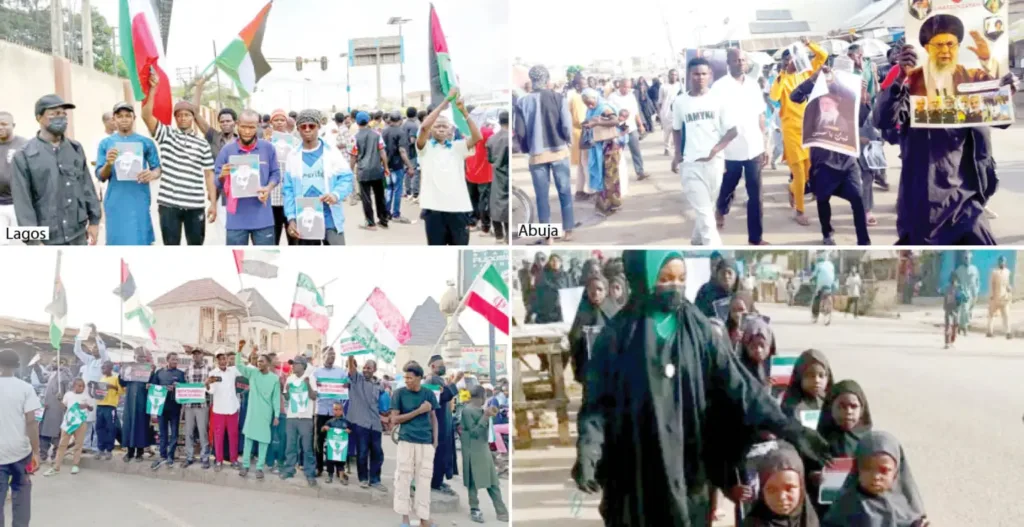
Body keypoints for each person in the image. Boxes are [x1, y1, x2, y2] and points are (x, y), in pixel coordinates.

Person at [574, 250, 831, 525]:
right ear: (643, 280)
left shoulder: (697, 328)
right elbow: (597, 405)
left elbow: (740, 386)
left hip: (689, 464)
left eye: (681, 279)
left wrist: (790, 428)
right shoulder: (616, 338)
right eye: (665, 279)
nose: (675, 286)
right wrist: (589, 450)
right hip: (638, 465)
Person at [876, 45, 1017, 244]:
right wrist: (900, 78)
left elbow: (1001, 121)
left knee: (984, 247)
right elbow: (883, 120)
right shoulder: (913, 90)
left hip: (967, 200)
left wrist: (1004, 94)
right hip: (926, 202)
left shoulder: (972, 89)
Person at [790, 67, 871, 246]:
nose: (826, 106)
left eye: (830, 104)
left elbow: (860, 120)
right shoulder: (819, 89)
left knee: (858, 199)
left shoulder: (849, 95)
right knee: (822, 199)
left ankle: (863, 241)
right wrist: (813, 79)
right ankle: (827, 233)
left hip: (847, 161)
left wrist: (864, 95)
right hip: (823, 161)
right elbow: (794, 96)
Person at [11, 95, 101, 245]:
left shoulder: (75, 148)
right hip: (46, 239)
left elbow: (87, 186)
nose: (61, 118)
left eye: (63, 114)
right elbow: (22, 202)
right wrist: (33, 241)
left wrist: (94, 221)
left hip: (77, 234)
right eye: (54, 113)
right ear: (39, 118)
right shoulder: (24, 155)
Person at [139, 74, 217, 245]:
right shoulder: (166, 135)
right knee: (171, 250)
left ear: (192, 118)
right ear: (175, 118)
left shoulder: (202, 144)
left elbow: (209, 175)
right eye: (179, 115)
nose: (183, 118)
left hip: (195, 204)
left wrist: (213, 203)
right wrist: (153, 89)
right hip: (169, 205)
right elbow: (146, 115)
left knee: (195, 249)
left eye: (187, 115)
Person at [672, 58, 739, 246]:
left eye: (703, 74)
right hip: (691, 164)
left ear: (709, 75)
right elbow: (676, 129)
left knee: (707, 208)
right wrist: (677, 154)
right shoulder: (680, 102)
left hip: (715, 162)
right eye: (696, 74)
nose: (700, 77)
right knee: (705, 214)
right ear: (689, 76)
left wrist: (715, 150)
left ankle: (696, 240)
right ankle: (715, 251)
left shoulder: (718, 101)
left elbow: (733, 130)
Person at [712, 48, 770, 245]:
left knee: (756, 195)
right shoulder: (719, 87)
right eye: (736, 60)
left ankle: (756, 238)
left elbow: (761, 115)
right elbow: (714, 119)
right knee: (728, 186)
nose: (740, 63)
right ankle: (721, 209)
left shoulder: (753, 85)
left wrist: (765, 144)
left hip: (753, 146)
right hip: (730, 148)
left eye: (743, 60)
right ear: (728, 63)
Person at [770, 37, 828, 227]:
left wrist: (809, 44)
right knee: (799, 173)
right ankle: (800, 211)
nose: (793, 61)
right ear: (785, 62)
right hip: (791, 129)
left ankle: (792, 188)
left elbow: (823, 55)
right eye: (789, 59)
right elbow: (774, 96)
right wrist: (783, 74)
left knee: (810, 171)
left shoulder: (807, 72)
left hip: (809, 127)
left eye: (795, 57)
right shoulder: (782, 79)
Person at [513, 65, 575, 242]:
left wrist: (527, 149)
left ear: (531, 81)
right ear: (547, 80)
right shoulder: (558, 97)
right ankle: (568, 230)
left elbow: (520, 131)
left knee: (541, 196)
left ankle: (548, 235)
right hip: (559, 152)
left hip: (536, 155)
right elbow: (565, 125)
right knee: (564, 191)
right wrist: (567, 140)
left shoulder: (522, 102)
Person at [416, 89, 482, 245]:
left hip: (458, 209)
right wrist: (445, 102)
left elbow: (477, 137)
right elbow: (424, 127)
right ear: (432, 129)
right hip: (434, 211)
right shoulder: (424, 148)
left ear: (451, 131)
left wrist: (463, 111)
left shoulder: (458, 147)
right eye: (437, 126)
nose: (440, 128)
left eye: (444, 126)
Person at [821, 431, 928, 527]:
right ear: (857, 469)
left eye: (884, 470)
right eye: (867, 468)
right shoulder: (845, 505)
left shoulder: (904, 503)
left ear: (896, 472)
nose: (876, 477)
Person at [282, 109, 354, 245]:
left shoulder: (332, 152)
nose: (307, 129)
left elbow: (346, 178)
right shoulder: (293, 156)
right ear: (298, 129)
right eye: (303, 126)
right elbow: (288, 190)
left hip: (330, 217)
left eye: (311, 126)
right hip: (305, 219)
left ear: (319, 127)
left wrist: (335, 195)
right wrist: (291, 218)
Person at [95, 102, 161, 245]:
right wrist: (108, 163)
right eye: (120, 116)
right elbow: (101, 176)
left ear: (134, 118)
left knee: (140, 241)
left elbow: (157, 168)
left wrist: (152, 174)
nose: (124, 119)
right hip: (115, 201)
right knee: (116, 245)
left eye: (127, 116)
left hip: (139, 200)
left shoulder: (146, 143)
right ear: (114, 119)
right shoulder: (105, 144)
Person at [213, 109, 280, 245]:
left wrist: (268, 188)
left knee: (265, 263)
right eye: (243, 126)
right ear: (237, 124)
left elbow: (276, 174)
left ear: (258, 126)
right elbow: (217, 182)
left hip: (263, 218)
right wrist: (222, 176)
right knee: (235, 262)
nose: (247, 131)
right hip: (236, 220)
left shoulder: (268, 148)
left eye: (251, 127)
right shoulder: (227, 150)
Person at [390, 362, 439, 527]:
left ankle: (424, 519)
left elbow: (434, 418)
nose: (407, 381)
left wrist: (435, 440)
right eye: (405, 378)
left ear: (419, 378)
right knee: (403, 479)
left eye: (410, 378)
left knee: (424, 480)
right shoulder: (399, 394)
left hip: (426, 442)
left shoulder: (429, 394)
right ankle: (405, 519)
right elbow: (395, 419)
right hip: (406, 440)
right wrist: (418, 411)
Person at [904, 15, 998, 96]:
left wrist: (986, 59)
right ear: (927, 48)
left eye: (950, 44)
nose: (945, 50)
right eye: (939, 45)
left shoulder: (970, 76)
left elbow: (999, 88)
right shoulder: (911, 78)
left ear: (958, 47)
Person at [0, 349, 41, 527]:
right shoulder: (25, 388)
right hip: (20, 452)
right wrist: (37, 452)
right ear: (17, 366)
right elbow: (31, 422)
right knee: (22, 496)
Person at [460, 385, 509, 523]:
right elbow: (474, 432)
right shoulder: (467, 411)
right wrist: (485, 416)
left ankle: (502, 511)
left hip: (483, 450)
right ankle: (474, 509)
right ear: (481, 397)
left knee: (493, 482)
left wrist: (489, 415)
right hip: (472, 451)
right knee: (473, 483)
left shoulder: (479, 410)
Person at [743, 443, 821, 527]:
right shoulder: (754, 523)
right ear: (762, 492)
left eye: (789, 488)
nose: (781, 497)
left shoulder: (809, 518)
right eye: (771, 489)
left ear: (801, 488)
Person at [235, 352, 280, 479]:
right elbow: (239, 365)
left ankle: (259, 468)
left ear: (268, 364)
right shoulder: (253, 373)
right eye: (258, 361)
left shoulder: (274, 379)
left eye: (262, 361)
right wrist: (239, 351)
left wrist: (276, 415)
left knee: (263, 441)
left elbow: (276, 398)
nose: (259, 363)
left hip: (266, 413)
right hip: (252, 412)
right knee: (248, 439)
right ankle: (245, 465)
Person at [345, 355, 386, 490]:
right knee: (362, 452)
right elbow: (351, 369)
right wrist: (351, 356)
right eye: (365, 367)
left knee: (377, 453)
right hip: (361, 423)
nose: (366, 370)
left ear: (374, 370)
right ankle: (363, 479)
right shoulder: (357, 380)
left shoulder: (379, 385)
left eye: (369, 368)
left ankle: (375, 480)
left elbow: (383, 405)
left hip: (375, 424)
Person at [569, 274, 620, 380]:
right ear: (586, 291)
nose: (595, 293)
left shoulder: (615, 312)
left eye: (600, 289)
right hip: (589, 370)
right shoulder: (582, 313)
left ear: (606, 291)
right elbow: (574, 340)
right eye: (591, 289)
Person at [426, 355, 463, 495]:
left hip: (445, 421)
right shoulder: (431, 380)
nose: (443, 367)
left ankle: (439, 480)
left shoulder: (439, 380)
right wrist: (455, 381)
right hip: (438, 422)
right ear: (433, 366)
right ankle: (435, 482)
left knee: (444, 453)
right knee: (438, 453)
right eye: (440, 365)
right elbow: (441, 397)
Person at [42, 377, 94, 476]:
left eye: (83, 386)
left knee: (78, 445)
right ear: (74, 386)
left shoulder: (86, 396)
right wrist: (59, 400)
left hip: (80, 423)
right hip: (68, 423)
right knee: (62, 445)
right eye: (79, 386)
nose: (82, 388)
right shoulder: (68, 395)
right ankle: (56, 466)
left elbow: (91, 408)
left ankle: (75, 465)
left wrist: (87, 406)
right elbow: (64, 406)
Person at [281, 357, 318, 486]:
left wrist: (307, 384)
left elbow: (314, 396)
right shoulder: (290, 379)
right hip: (292, 416)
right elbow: (286, 397)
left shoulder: (310, 378)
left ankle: (310, 473)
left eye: (296, 364)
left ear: (303, 366)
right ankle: (289, 469)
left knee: (307, 447)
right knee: (290, 445)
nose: (293, 366)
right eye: (293, 364)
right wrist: (283, 386)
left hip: (305, 418)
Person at [350, 111, 390, 230]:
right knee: (380, 196)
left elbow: (353, 156)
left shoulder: (355, 137)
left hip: (363, 171)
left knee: (366, 198)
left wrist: (350, 171)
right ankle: (383, 221)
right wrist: (386, 167)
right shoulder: (377, 134)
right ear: (368, 121)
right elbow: (382, 152)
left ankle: (370, 223)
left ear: (356, 122)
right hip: (377, 170)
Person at [608, 78, 649, 181]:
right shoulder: (612, 97)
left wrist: (640, 125)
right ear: (620, 86)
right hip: (618, 130)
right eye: (625, 87)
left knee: (636, 151)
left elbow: (635, 112)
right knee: (617, 153)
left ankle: (640, 172)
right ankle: (615, 175)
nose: (627, 89)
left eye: (629, 87)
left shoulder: (631, 96)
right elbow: (608, 113)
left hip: (631, 128)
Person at [150, 352, 185, 470]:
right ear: (167, 360)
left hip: (175, 407)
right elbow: (153, 387)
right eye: (173, 359)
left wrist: (178, 386)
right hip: (161, 407)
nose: (175, 361)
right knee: (163, 433)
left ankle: (171, 456)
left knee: (174, 433)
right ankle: (162, 455)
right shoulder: (159, 373)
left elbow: (186, 389)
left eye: (177, 359)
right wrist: (164, 388)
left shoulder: (181, 374)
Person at [118, 347, 154, 462]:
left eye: (143, 357)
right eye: (139, 356)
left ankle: (139, 453)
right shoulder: (130, 369)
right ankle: (129, 452)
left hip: (142, 404)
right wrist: (121, 371)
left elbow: (153, 384)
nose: (141, 359)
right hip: (129, 404)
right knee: (129, 426)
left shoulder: (149, 370)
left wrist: (152, 377)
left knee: (141, 427)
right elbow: (122, 383)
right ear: (135, 357)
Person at [208, 351, 241, 471]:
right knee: (218, 436)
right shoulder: (213, 373)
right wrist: (207, 384)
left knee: (233, 435)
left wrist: (239, 354)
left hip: (232, 409)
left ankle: (234, 459)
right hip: (219, 410)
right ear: (217, 361)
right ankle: (218, 460)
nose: (222, 361)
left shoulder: (233, 370)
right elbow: (211, 391)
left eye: (224, 359)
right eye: (220, 359)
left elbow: (242, 368)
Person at [179, 349, 211, 469]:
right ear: (192, 356)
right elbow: (184, 386)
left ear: (203, 355)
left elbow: (211, 387)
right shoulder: (187, 370)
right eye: (195, 354)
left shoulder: (209, 369)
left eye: (199, 354)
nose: (197, 356)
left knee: (203, 432)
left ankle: (205, 457)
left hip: (202, 405)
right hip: (189, 406)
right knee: (188, 432)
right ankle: (189, 457)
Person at [0, 111, 28, 245]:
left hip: (19, 206)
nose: (0, 127)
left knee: (20, 245)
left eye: (4, 124)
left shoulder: (24, 145)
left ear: (13, 125)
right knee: (2, 245)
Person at [780, 349, 833, 420]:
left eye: (821, 376)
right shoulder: (790, 407)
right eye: (810, 375)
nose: (817, 380)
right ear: (799, 377)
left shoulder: (832, 404)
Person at [382, 111, 413, 224]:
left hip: (386, 166)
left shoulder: (384, 132)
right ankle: (396, 214)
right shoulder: (401, 132)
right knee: (397, 190)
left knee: (388, 189)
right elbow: (402, 151)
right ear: (400, 120)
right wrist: (410, 166)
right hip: (397, 166)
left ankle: (386, 213)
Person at [487, 110, 510, 242]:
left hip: (496, 174)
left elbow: (489, 159)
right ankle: (508, 236)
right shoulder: (509, 138)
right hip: (507, 173)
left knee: (495, 203)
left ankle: (498, 235)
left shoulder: (491, 139)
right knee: (507, 204)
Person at [93, 360, 121, 460]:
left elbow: (121, 390)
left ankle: (109, 450)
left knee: (110, 428)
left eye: (104, 367)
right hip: (100, 405)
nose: (102, 369)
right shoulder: (102, 378)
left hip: (110, 406)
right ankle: (100, 449)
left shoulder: (116, 378)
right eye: (102, 368)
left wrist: (111, 387)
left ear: (110, 368)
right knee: (100, 428)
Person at [321, 401, 351, 484]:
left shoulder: (346, 422)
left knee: (341, 461)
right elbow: (322, 429)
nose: (337, 411)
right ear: (333, 410)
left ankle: (341, 478)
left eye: (339, 409)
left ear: (342, 410)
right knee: (330, 460)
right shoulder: (330, 421)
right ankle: (330, 476)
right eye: (335, 409)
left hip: (342, 446)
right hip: (331, 446)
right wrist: (325, 428)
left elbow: (351, 430)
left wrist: (348, 431)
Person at [658, 69, 684, 155]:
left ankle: (678, 149)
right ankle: (667, 148)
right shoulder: (663, 87)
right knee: (667, 132)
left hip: (678, 112)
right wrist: (659, 114)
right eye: (672, 74)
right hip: (666, 113)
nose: (674, 76)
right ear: (668, 76)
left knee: (678, 131)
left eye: (675, 75)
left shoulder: (681, 86)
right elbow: (660, 102)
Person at [953, 251, 980, 334]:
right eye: (965, 258)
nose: (967, 260)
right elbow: (954, 280)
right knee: (963, 310)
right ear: (963, 259)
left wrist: (977, 290)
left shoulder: (974, 269)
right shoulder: (959, 270)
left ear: (971, 259)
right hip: (962, 292)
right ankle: (963, 327)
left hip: (972, 293)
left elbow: (977, 281)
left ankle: (963, 325)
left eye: (968, 258)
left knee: (969, 311)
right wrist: (957, 288)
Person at [987, 255, 1013, 338]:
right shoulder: (994, 272)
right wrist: (991, 295)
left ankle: (1008, 333)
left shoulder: (1007, 272)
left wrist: (1009, 289)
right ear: (998, 262)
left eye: (1003, 261)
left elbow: (1007, 283)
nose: (1002, 263)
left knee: (1006, 315)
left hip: (1004, 298)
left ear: (1005, 263)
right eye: (1000, 261)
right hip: (995, 297)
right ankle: (989, 332)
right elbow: (991, 284)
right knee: (991, 315)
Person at [943, 273, 965, 349]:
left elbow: (963, 299)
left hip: (951, 309)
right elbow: (963, 299)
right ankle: (949, 342)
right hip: (953, 310)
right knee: (952, 326)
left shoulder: (948, 289)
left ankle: (948, 342)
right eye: (953, 280)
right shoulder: (956, 289)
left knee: (951, 326)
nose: (954, 281)